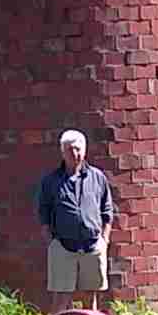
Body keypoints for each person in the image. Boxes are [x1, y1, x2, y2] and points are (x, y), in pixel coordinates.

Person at [34, 126, 114, 298]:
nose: (74, 154)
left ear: (84, 151)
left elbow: (107, 209)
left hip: (92, 245)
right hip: (63, 246)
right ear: (63, 153)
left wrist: (104, 239)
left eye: (78, 149)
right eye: (70, 150)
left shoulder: (97, 177)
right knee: (61, 299)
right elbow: (43, 212)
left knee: (90, 297)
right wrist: (50, 240)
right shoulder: (51, 181)